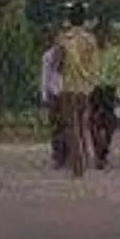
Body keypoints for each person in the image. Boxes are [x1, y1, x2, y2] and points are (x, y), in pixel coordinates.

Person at [54, 1, 100, 179]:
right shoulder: (91, 39)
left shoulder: (64, 39)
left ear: (69, 19)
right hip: (86, 88)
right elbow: (94, 65)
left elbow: (57, 65)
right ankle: (86, 158)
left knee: (70, 126)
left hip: (69, 87)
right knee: (82, 125)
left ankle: (78, 164)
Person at [89, 20, 120, 169]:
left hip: (109, 90)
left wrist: (119, 92)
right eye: (97, 35)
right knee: (93, 122)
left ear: (106, 36)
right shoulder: (90, 53)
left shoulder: (114, 53)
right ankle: (98, 153)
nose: (100, 38)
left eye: (102, 35)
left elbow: (119, 73)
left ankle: (104, 150)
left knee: (110, 123)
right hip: (94, 89)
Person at [39, 36, 66, 169]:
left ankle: (64, 154)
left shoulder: (69, 57)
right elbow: (44, 76)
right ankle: (57, 155)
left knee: (65, 125)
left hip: (67, 94)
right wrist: (44, 95)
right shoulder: (48, 56)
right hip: (54, 94)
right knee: (56, 126)